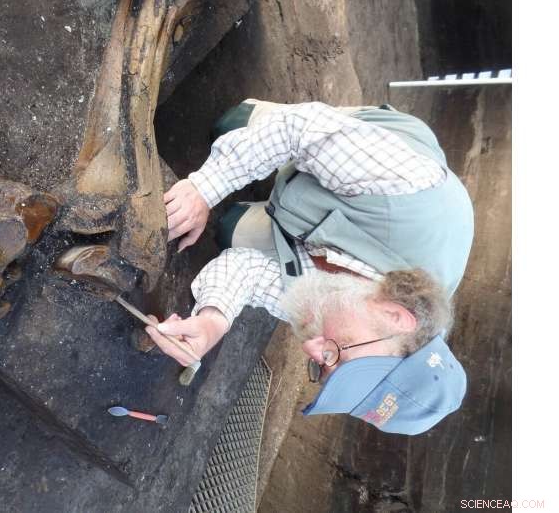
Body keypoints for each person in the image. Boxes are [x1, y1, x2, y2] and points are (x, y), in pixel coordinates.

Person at [144, 100, 474, 434]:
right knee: (237, 122)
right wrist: (204, 188)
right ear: (396, 317)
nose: (310, 347)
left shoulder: (349, 315)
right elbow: (297, 129)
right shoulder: (405, 191)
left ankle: (279, 199)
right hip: (353, 151)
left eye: (322, 367)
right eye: (335, 353)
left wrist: (213, 320)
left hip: (325, 227)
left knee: (229, 229)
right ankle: (266, 138)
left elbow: (246, 271)